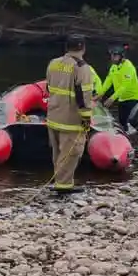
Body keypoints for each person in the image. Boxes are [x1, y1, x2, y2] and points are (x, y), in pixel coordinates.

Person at [45, 34, 95, 194]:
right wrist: (86, 117)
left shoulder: (53, 63)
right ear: (83, 48)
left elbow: (48, 87)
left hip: (53, 116)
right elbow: (85, 96)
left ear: (67, 47)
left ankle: (58, 179)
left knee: (57, 152)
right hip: (70, 119)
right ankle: (64, 186)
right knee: (71, 153)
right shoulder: (82, 68)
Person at [98, 43, 138, 137]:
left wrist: (112, 98)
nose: (112, 57)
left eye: (115, 55)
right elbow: (108, 81)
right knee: (122, 124)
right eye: (111, 55)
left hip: (135, 99)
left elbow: (124, 86)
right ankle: (125, 139)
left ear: (121, 57)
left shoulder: (129, 68)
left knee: (132, 120)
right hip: (122, 99)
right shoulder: (114, 67)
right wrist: (100, 94)